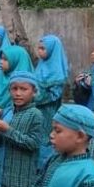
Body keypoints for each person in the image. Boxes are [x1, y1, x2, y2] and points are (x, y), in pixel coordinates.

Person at [34, 35, 70, 165]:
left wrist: (35, 97)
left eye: (43, 48)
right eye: (39, 48)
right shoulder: (40, 66)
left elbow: (54, 95)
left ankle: (46, 165)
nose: (40, 52)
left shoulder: (57, 70)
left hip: (49, 110)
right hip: (36, 109)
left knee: (47, 138)